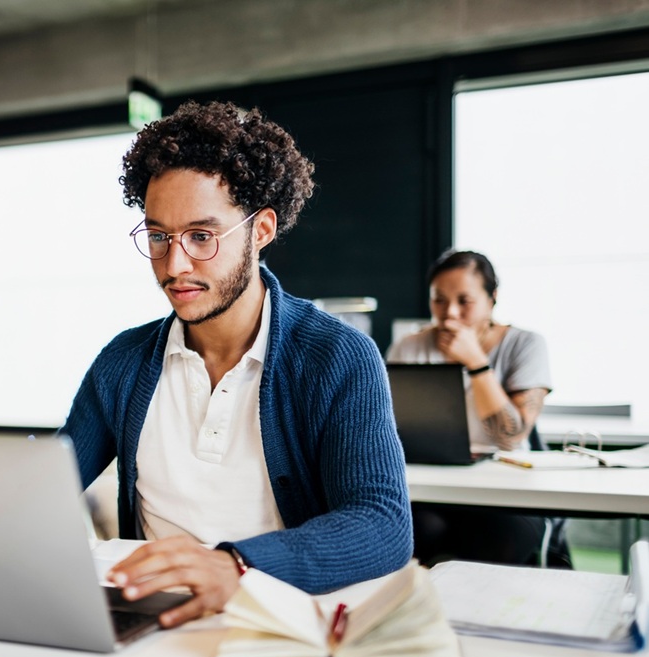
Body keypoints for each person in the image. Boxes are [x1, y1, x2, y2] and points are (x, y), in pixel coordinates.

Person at [58, 101, 412, 629]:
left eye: (202, 237)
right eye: (159, 237)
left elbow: (382, 525)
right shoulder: (123, 362)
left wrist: (236, 566)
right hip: (152, 629)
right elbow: (50, 479)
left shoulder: (335, 357)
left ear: (261, 230)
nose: (175, 265)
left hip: (276, 627)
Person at [387, 249, 553, 565]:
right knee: (411, 534)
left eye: (465, 301)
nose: (449, 313)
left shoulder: (525, 345)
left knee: (495, 542)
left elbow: (509, 436)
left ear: (492, 298)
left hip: (507, 495)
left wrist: (476, 362)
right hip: (433, 488)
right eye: (438, 300)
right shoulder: (409, 347)